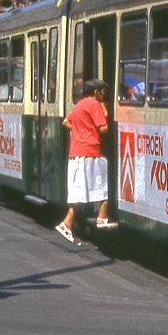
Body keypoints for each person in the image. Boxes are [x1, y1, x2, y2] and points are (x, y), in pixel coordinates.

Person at [55, 79, 113, 242]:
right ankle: (101, 218)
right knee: (106, 185)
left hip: (77, 152)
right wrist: (105, 112)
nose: (104, 94)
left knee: (80, 193)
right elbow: (104, 129)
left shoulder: (79, 104)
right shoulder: (94, 105)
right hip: (91, 151)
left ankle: (66, 224)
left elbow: (66, 122)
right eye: (103, 91)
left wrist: (81, 131)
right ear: (96, 92)